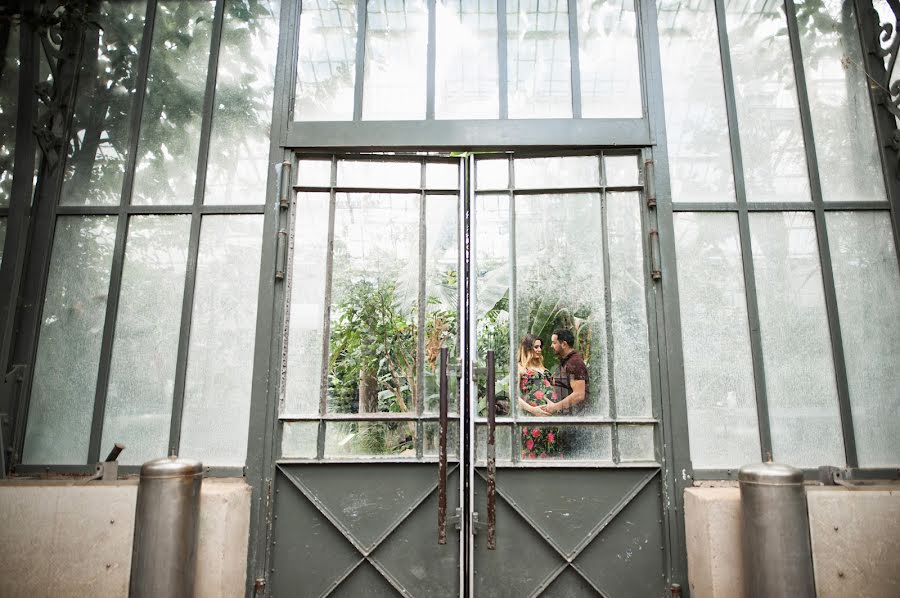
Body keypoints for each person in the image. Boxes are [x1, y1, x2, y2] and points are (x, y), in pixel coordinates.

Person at [515, 334, 561, 458]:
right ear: (527, 348)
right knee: (535, 452)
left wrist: (555, 405)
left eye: (540, 347)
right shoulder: (519, 368)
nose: (539, 350)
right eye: (536, 347)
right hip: (533, 419)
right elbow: (513, 396)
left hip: (552, 418)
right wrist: (532, 410)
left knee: (552, 453)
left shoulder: (542, 366)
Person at [543, 329, 589, 416]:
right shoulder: (566, 361)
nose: (551, 346)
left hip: (576, 420)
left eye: (554, 343)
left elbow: (579, 395)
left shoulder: (574, 363)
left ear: (564, 344)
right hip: (569, 417)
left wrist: (555, 407)